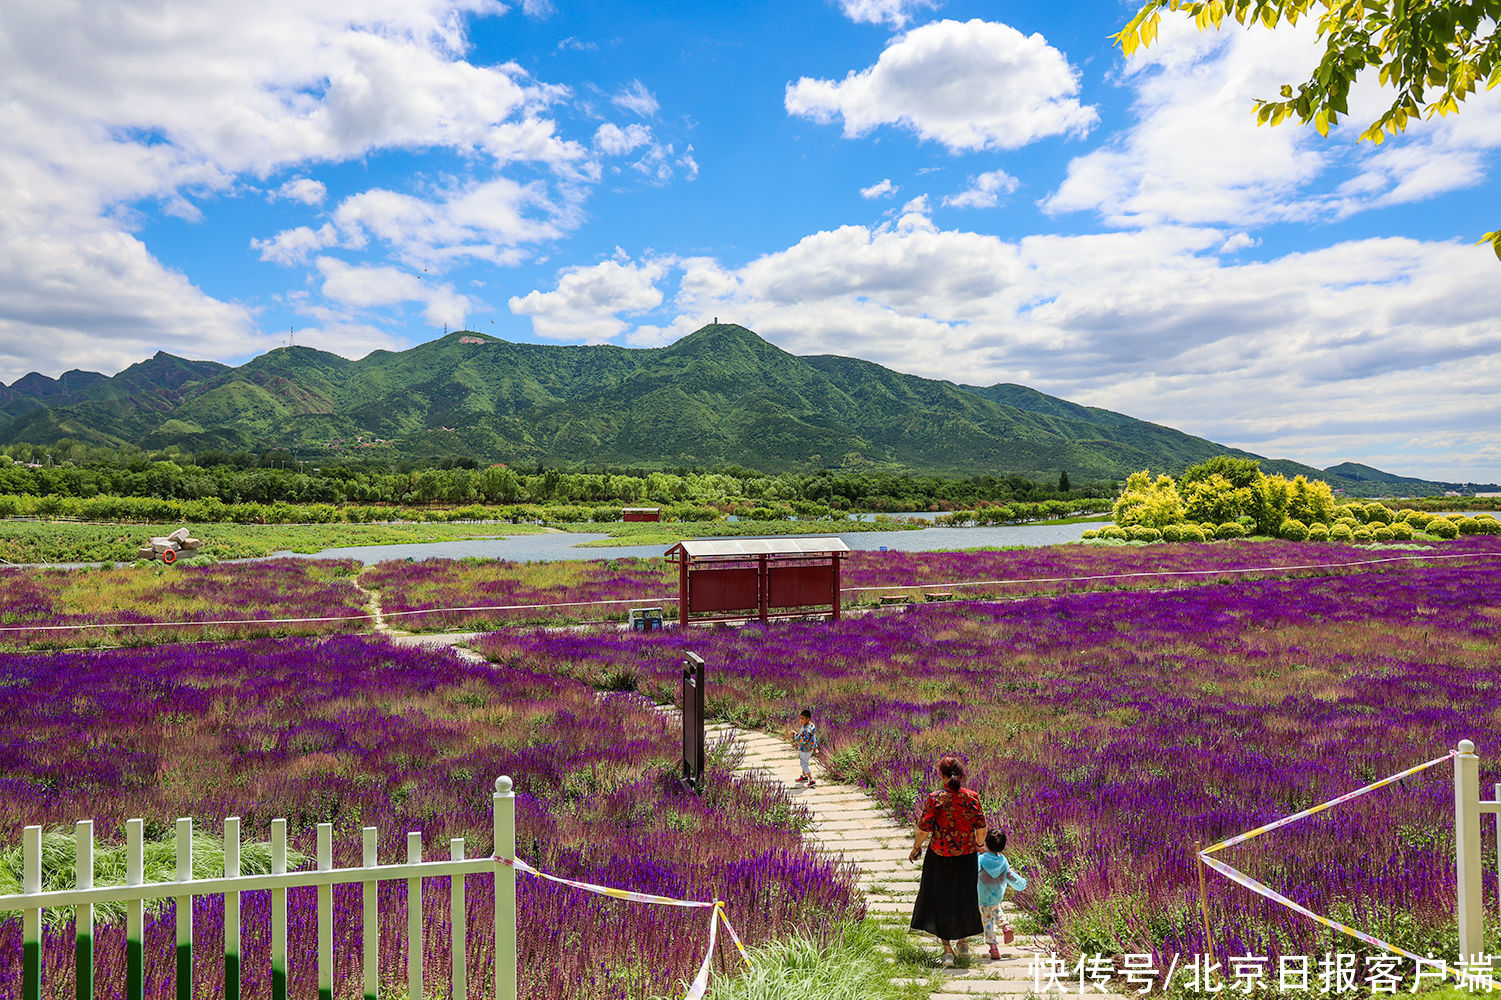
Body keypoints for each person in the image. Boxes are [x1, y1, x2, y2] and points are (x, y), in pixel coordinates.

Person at [909, 756, 986, 966]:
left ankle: (947, 951)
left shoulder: (936, 798)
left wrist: (916, 848)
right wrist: (979, 845)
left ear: (941, 775)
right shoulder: (971, 797)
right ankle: (963, 943)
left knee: (940, 899)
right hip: (966, 856)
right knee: (964, 897)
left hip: (940, 856)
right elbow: (981, 828)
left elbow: (924, 829)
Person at [977, 829, 1026, 959]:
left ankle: (993, 946)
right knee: (997, 911)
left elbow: (971, 871)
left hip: (983, 897)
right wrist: (1022, 884)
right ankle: (1005, 926)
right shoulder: (1003, 861)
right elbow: (1011, 876)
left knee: (987, 922)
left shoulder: (981, 860)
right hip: (997, 896)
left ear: (985, 844)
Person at [794, 709, 818, 787]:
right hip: (810, 748)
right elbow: (814, 738)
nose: (801, 720)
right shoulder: (811, 726)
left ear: (808, 719)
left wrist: (795, 736)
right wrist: (815, 747)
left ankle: (812, 780)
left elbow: (803, 741)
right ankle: (804, 777)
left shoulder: (807, 729)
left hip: (805, 749)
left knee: (803, 764)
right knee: (805, 762)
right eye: (800, 718)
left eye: (803, 719)